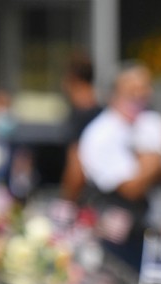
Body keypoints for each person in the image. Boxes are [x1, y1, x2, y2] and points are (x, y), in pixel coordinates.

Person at [78, 62, 161, 272]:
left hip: (154, 236)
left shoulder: (150, 122)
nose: (140, 95)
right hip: (119, 243)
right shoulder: (101, 133)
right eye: (132, 90)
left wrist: (151, 165)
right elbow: (132, 188)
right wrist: (154, 156)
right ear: (114, 94)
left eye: (145, 88)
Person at [59, 52, 102, 203]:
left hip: (87, 200)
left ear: (71, 78)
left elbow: (76, 167)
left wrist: (66, 203)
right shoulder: (102, 112)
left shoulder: (79, 115)